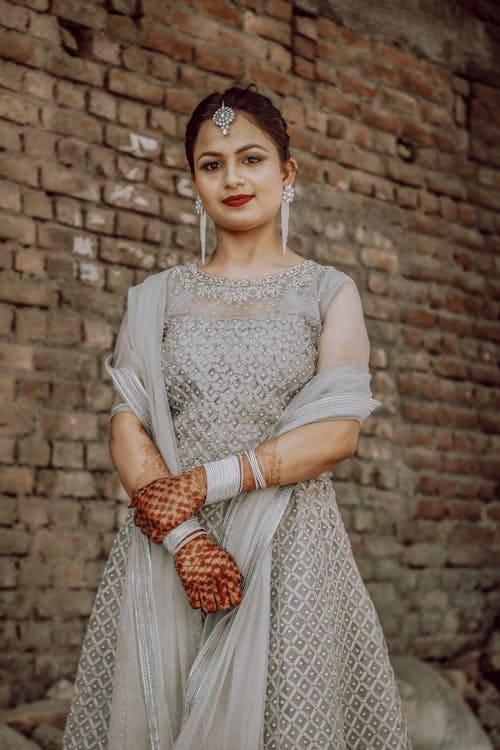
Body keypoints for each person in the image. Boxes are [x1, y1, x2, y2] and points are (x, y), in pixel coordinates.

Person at [63, 84, 411, 749]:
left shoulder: (327, 291)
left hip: (289, 548)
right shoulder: (155, 297)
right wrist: (187, 540)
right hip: (170, 547)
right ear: (193, 182)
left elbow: (337, 433)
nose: (232, 178)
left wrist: (203, 483)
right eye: (211, 163)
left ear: (287, 172)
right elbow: (127, 424)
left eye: (251, 158)